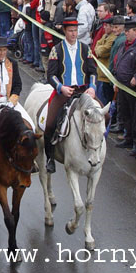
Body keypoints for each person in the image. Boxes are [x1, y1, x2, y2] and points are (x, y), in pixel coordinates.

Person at [44, 18, 97, 173]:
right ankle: (50, 157)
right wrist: (61, 87)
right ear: (65, 31)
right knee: (49, 124)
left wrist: (92, 88)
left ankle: (96, 149)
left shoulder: (85, 48)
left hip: (83, 91)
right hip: (65, 91)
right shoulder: (57, 49)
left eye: (75, 31)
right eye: (71, 31)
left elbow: (93, 71)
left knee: (103, 117)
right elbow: (51, 75)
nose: (74, 34)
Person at [113, 19, 136, 152]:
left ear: (135, 31)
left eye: (128, 31)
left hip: (132, 88)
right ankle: (128, 138)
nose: (126, 33)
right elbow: (118, 62)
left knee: (134, 115)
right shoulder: (123, 45)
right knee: (125, 114)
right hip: (121, 85)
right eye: (125, 31)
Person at [94, 16, 116, 106]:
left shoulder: (112, 38)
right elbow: (96, 45)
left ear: (111, 26)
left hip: (106, 76)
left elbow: (102, 51)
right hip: (100, 74)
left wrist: (98, 49)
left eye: (106, 25)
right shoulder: (105, 36)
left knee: (103, 103)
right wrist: (98, 48)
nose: (104, 27)